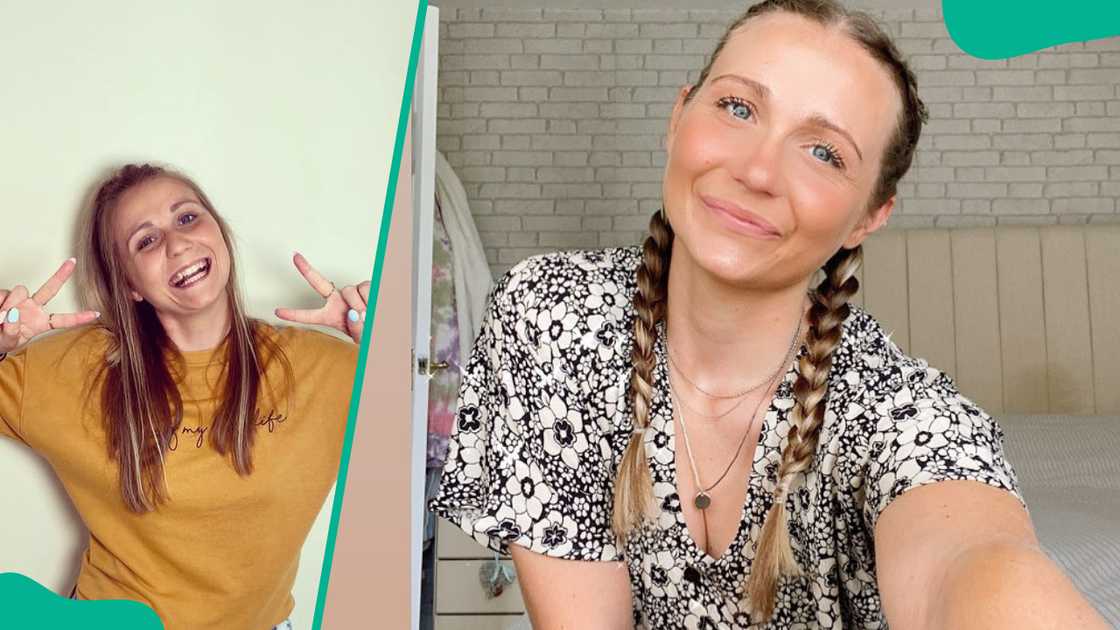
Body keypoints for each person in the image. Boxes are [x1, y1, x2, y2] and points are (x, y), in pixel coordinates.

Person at [429, 1, 1110, 628]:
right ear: (678, 117)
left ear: (869, 216)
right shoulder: (555, 320)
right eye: (737, 107)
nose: (758, 170)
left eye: (824, 152)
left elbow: (975, 562)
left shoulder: (901, 416)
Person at [0, 163, 370, 630]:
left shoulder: (329, 368)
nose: (177, 243)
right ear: (129, 284)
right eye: (146, 241)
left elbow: (451, 445)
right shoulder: (68, 370)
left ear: (220, 234)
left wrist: (391, 343)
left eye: (187, 218)